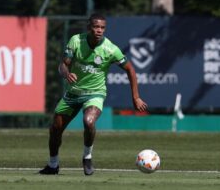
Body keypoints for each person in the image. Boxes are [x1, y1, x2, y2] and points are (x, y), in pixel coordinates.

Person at [39, 13, 147, 176]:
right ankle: (53, 165)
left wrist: (136, 97)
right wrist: (66, 73)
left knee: (88, 121)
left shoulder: (110, 49)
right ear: (89, 27)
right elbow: (63, 64)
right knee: (55, 129)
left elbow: (130, 69)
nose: (99, 30)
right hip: (73, 93)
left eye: (102, 27)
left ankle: (87, 157)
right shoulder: (76, 41)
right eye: (96, 27)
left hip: (95, 93)